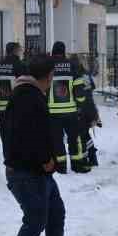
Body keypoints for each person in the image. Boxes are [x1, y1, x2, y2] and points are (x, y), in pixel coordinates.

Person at [1, 56, 83, 236]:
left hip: (37, 171)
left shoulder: (30, 93)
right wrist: (46, 159)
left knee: (56, 213)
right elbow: (29, 135)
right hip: (26, 171)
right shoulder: (28, 97)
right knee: (36, 218)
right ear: (48, 76)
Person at [46, 42, 88, 173]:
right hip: (71, 111)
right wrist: (80, 104)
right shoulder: (72, 65)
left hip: (52, 112)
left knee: (56, 140)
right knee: (74, 138)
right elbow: (79, 87)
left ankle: (60, 167)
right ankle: (77, 165)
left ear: (53, 52)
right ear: (64, 52)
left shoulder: (47, 65)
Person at [0, 42, 25, 119]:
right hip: (16, 106)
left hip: (2, 107)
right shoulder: (20, 65)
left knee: (4, 129)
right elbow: (26, 86)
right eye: (20, 50)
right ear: (15, 51)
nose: (21, 53)